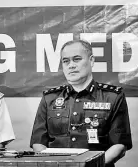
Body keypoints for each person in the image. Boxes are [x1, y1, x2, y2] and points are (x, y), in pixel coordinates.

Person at [30, 39, 132, 167]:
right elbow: (38, 143)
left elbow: (119, 145)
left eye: (76, 59)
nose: (71, 65)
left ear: (92, 60)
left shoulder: (112, 97)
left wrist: (90, 166)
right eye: (65, 61)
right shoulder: (49, 98)